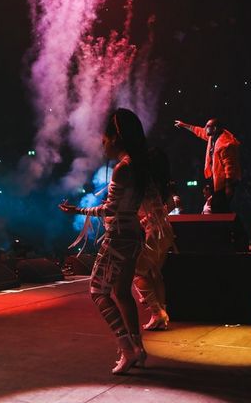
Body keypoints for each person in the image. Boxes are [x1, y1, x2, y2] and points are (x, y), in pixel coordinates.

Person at [59, 108, 149, 375]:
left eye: (105, 139)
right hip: (133, 235)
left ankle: (127, 348)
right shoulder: (139, 165)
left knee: (98, 291)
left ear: (116, 138)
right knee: (121, 292)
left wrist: (80, 211)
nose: (103, 144)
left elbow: (110, 210)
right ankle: (139, 348)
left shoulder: (122, 169)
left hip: (119, 235)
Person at [133, 148, 176, 331]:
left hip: (155, 233)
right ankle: (161, 315)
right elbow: (167, 205)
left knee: (138, 272)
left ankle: (157, 312)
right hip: (165, 231)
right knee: (155, 273)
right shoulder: (157, 184)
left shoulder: (141, 184)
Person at [174, 118, 241, 213]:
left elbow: (229, 168)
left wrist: (228, 187)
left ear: (215, 129)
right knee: (219, 208)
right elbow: (198, 131)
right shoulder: (213, 136)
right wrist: (184, 125)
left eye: (208, 126)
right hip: (218, 181)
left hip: (224, 183)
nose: (205, 128)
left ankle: (231, 226)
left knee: (220, 209)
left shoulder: (225, 144)